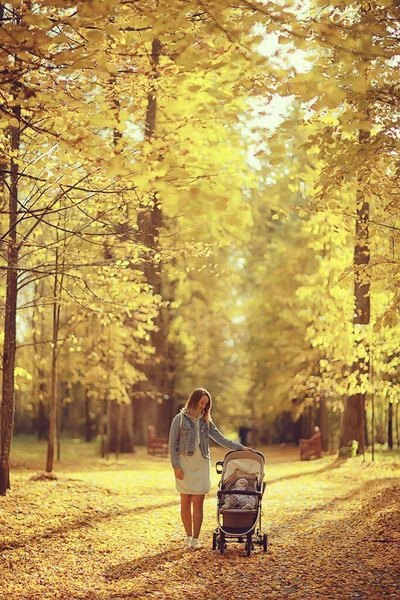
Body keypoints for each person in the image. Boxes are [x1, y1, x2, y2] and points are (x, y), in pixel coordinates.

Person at [168, 387, 250, 549]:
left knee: (198, 502)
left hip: (201, 465)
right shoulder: (179, 419)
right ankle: (189, 536)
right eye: (202, 403)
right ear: (194, 400)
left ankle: (196, 538)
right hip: (184, 465)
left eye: (206, 404)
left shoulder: (205, 420)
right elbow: (172, 444)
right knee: (185, 502)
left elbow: (220, 438)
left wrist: (239, 447)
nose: (203, 407)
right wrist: (175, 466)